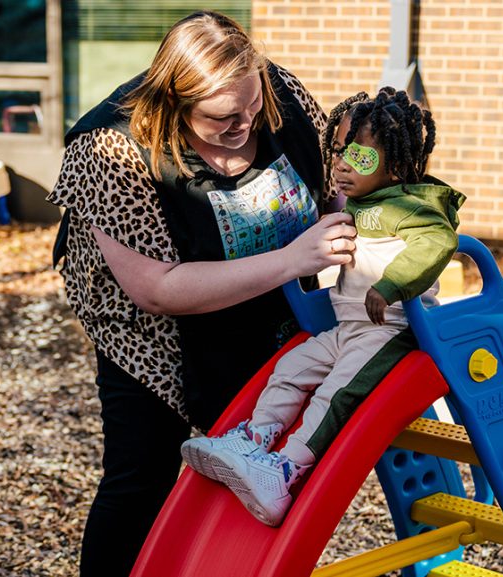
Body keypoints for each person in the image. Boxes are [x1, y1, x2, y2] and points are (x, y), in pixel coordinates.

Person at [46, 11, 357, 577]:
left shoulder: (274, 90)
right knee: (140, 475)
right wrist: (293, 258)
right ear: (174, 102)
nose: (244, 126)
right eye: (222, 119)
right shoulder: (108, 151)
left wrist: (347, 219)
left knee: (259, 455)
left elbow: (327, 182)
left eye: (252, 109)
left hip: (267, 305)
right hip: (151, 336)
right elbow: (158, 290)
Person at [180, 87, 466, 527]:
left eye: (362, 159)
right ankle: (256, 438)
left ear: (397, 167)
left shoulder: (410, 208)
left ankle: (284, 469)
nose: (344, 166)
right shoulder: (364, 201)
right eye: (338, 153)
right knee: (291, 368)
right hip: (347, 328)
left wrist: (391, 285)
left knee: (337, 394)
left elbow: (438, 243)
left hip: (388, 331)